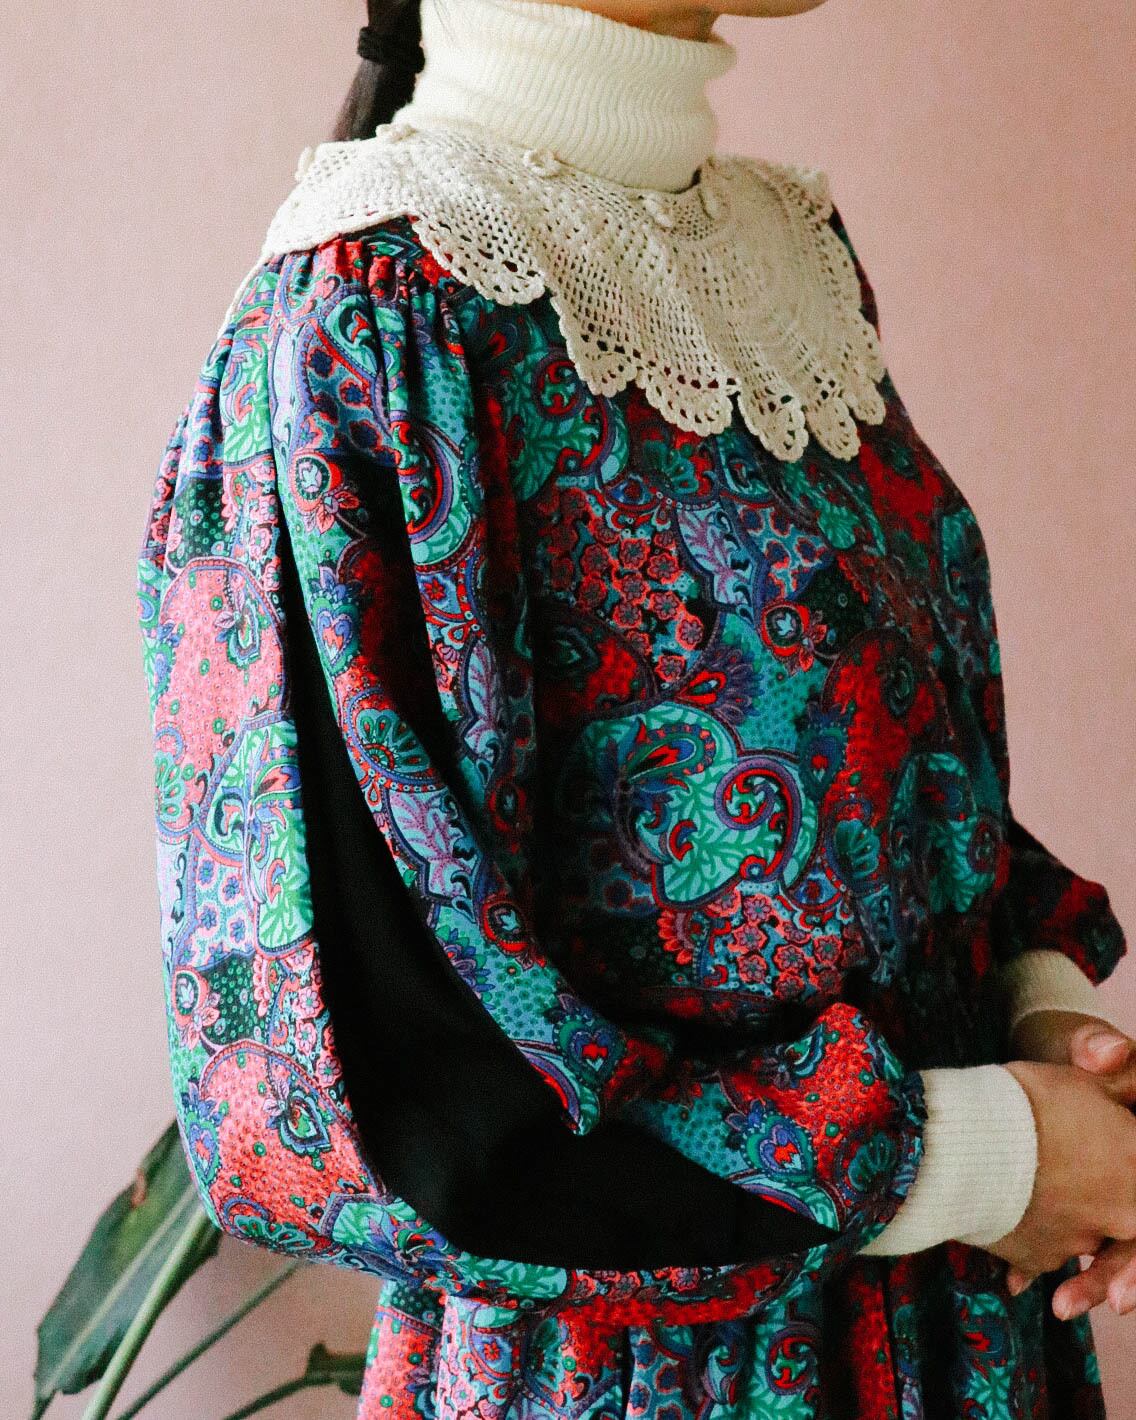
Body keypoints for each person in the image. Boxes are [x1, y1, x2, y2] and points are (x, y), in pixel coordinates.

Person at [135, 0, 1135, 1414]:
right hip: (644, 1375)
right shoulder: (367, 323)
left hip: (969, 1337)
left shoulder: (784, 263)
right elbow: (354, 1093)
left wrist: (1049, 1033)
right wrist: (983, 1158)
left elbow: (895, 783)